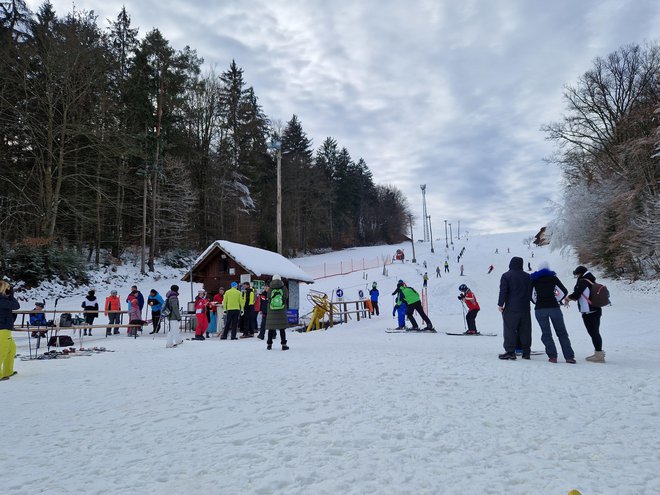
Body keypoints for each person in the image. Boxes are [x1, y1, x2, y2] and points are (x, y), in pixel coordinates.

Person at [530, 263, 576, 364]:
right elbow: (564, 291)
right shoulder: (553, 278)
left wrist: (536, 302)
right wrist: (557, 300)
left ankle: (552, 356)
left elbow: (530, 294)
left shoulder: (534, 279)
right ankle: (569, 357)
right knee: (562, 332)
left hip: (540, 309)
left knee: (546, 333)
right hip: (554, 308)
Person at [565, 265, 605, 363]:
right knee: (595, 332)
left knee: (593, 333)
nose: (576, 276)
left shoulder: (583, 281)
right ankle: (598, 353)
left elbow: (577, 294)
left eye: (577, 274)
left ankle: (599, 355)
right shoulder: (591, 280)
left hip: (589, 311)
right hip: (596, 309)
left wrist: (568, 298)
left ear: (580, 273)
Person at [497, 257, 532, 360]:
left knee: (510, 330)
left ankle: (510, 351)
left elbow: (503, 291)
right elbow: (530, 292)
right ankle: (526, 352)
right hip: (525, 308)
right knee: (525, 330)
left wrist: (500, 304)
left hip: (511, 308)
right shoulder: (528, 276)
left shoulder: (506, 276)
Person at [0, 281, 20, 381]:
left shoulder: (3, 299)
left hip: (4, 328)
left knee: (11, 349)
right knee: (2, 352)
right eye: (7, 288)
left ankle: (7, 371)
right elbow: (16, 306)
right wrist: (11, 295)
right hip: (3, 329)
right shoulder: (2, 300)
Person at [265, 275, 289, 350]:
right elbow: (286, 297)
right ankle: (284, 345)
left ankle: (269, 345)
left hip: (272, 311)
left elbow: (268, 297)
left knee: (271, 328)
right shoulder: (284, 288)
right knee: (282, 329)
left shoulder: (270, 288)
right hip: (281, 311)